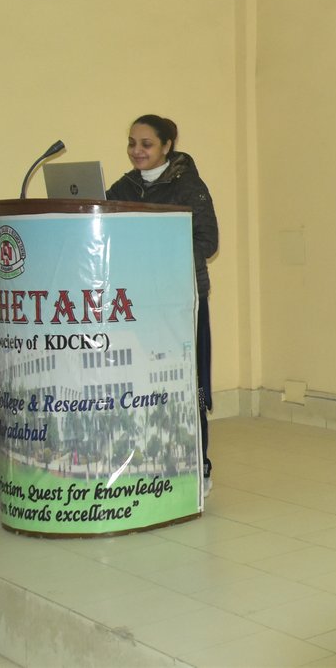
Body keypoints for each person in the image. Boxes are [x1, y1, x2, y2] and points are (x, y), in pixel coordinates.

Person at [106, 114, 218, 494]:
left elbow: (208, 241)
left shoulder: (189, 187)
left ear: (167, 146)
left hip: (180, 301)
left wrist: (161, 251)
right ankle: (145, 463)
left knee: (187, 387)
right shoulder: (126, 186)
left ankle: (197, 467)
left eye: (147, 144)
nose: (136, 151)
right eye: (131, 143)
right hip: (138, 302)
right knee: (142, 385)